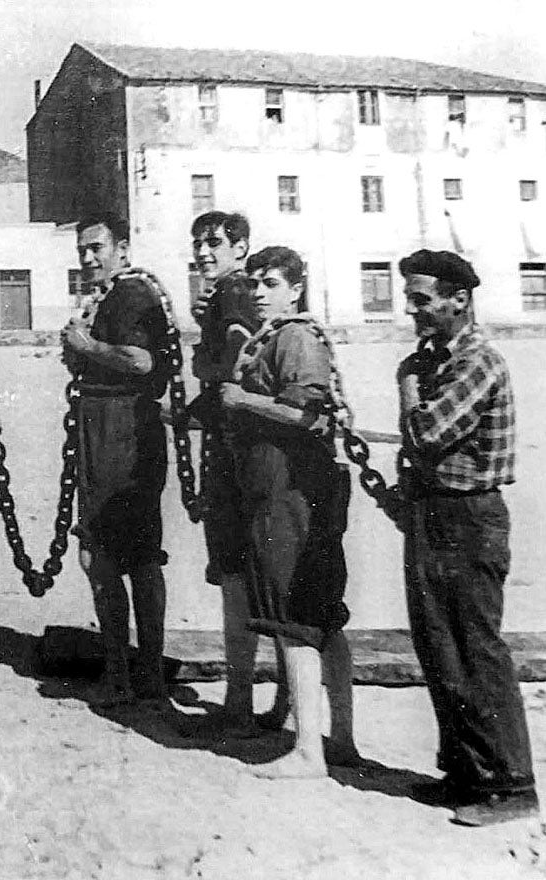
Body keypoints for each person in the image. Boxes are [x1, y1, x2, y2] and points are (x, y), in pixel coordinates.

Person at [396, 249, 538, 826]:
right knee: (438, 647)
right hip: (435, 513)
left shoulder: (478, 361)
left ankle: (512, 785)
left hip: (471, 518)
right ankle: (465, 774)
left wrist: (406, 383)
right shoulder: (439, 360)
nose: (413, 310)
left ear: (460, 299)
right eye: (410, 299)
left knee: (476, 650)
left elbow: (427, 432)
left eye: (423, 299)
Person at [218, 246, 358, 778]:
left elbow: (303, 413)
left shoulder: (295, 337)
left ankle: (308, 753)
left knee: (295, 619)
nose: (258, 291)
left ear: (296, 287)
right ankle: (339, 740)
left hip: (290, 491)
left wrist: (242, 402)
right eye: (254, 281)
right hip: (285, 487)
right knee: (321, 616)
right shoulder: (277, 337)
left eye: (271, 282)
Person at [59, 214, 171, 704]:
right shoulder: (109, 295)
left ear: (122, 248)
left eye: (97, 248)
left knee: (121, 556)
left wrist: (88, 346)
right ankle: (129, 671)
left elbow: (141, 362)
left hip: (123, 429)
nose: (88, 258)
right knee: (107, 552)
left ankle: (135, 676)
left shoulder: (132, 294)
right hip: (101, 424)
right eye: (83, 249)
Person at [185, 210, 276, 736]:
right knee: (256, 578)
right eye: (199, 243)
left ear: (240, 247)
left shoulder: (232, 293)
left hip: (236, 453)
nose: (205, 252)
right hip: (245, 447)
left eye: (216, 243)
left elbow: (237, 358)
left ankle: (240, 702)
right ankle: (263, 702)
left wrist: (208, 362)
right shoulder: (240, 292)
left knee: (237, 579)